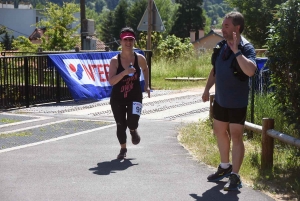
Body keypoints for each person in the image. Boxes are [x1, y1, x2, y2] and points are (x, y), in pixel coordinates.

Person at [202, 11, 257, 191]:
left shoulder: (246, 47)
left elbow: (250, 71)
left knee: (236, 136)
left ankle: (235, 175)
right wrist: (206, 89)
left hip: (237, 101)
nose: (222, 29)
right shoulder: (220, 46)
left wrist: (236, 52)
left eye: (226, 26)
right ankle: (225, 167)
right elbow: (215, 71)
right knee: (219, 131)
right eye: (223, 25)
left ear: (237, 28)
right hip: (221, 100)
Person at [109, 27, 150, 160]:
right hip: (118, 98)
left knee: (132, 121)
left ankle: (133, 130)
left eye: (131, 40)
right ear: (121, 41)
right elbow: (111, 81)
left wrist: (147, 85)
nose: (128, 42)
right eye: (125, 40)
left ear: (134, 41)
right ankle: (123, 148)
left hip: (135, 95)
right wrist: (124, 72)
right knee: (120, 124)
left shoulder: (140, 58)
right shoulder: (115, 61)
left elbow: (145, 69)